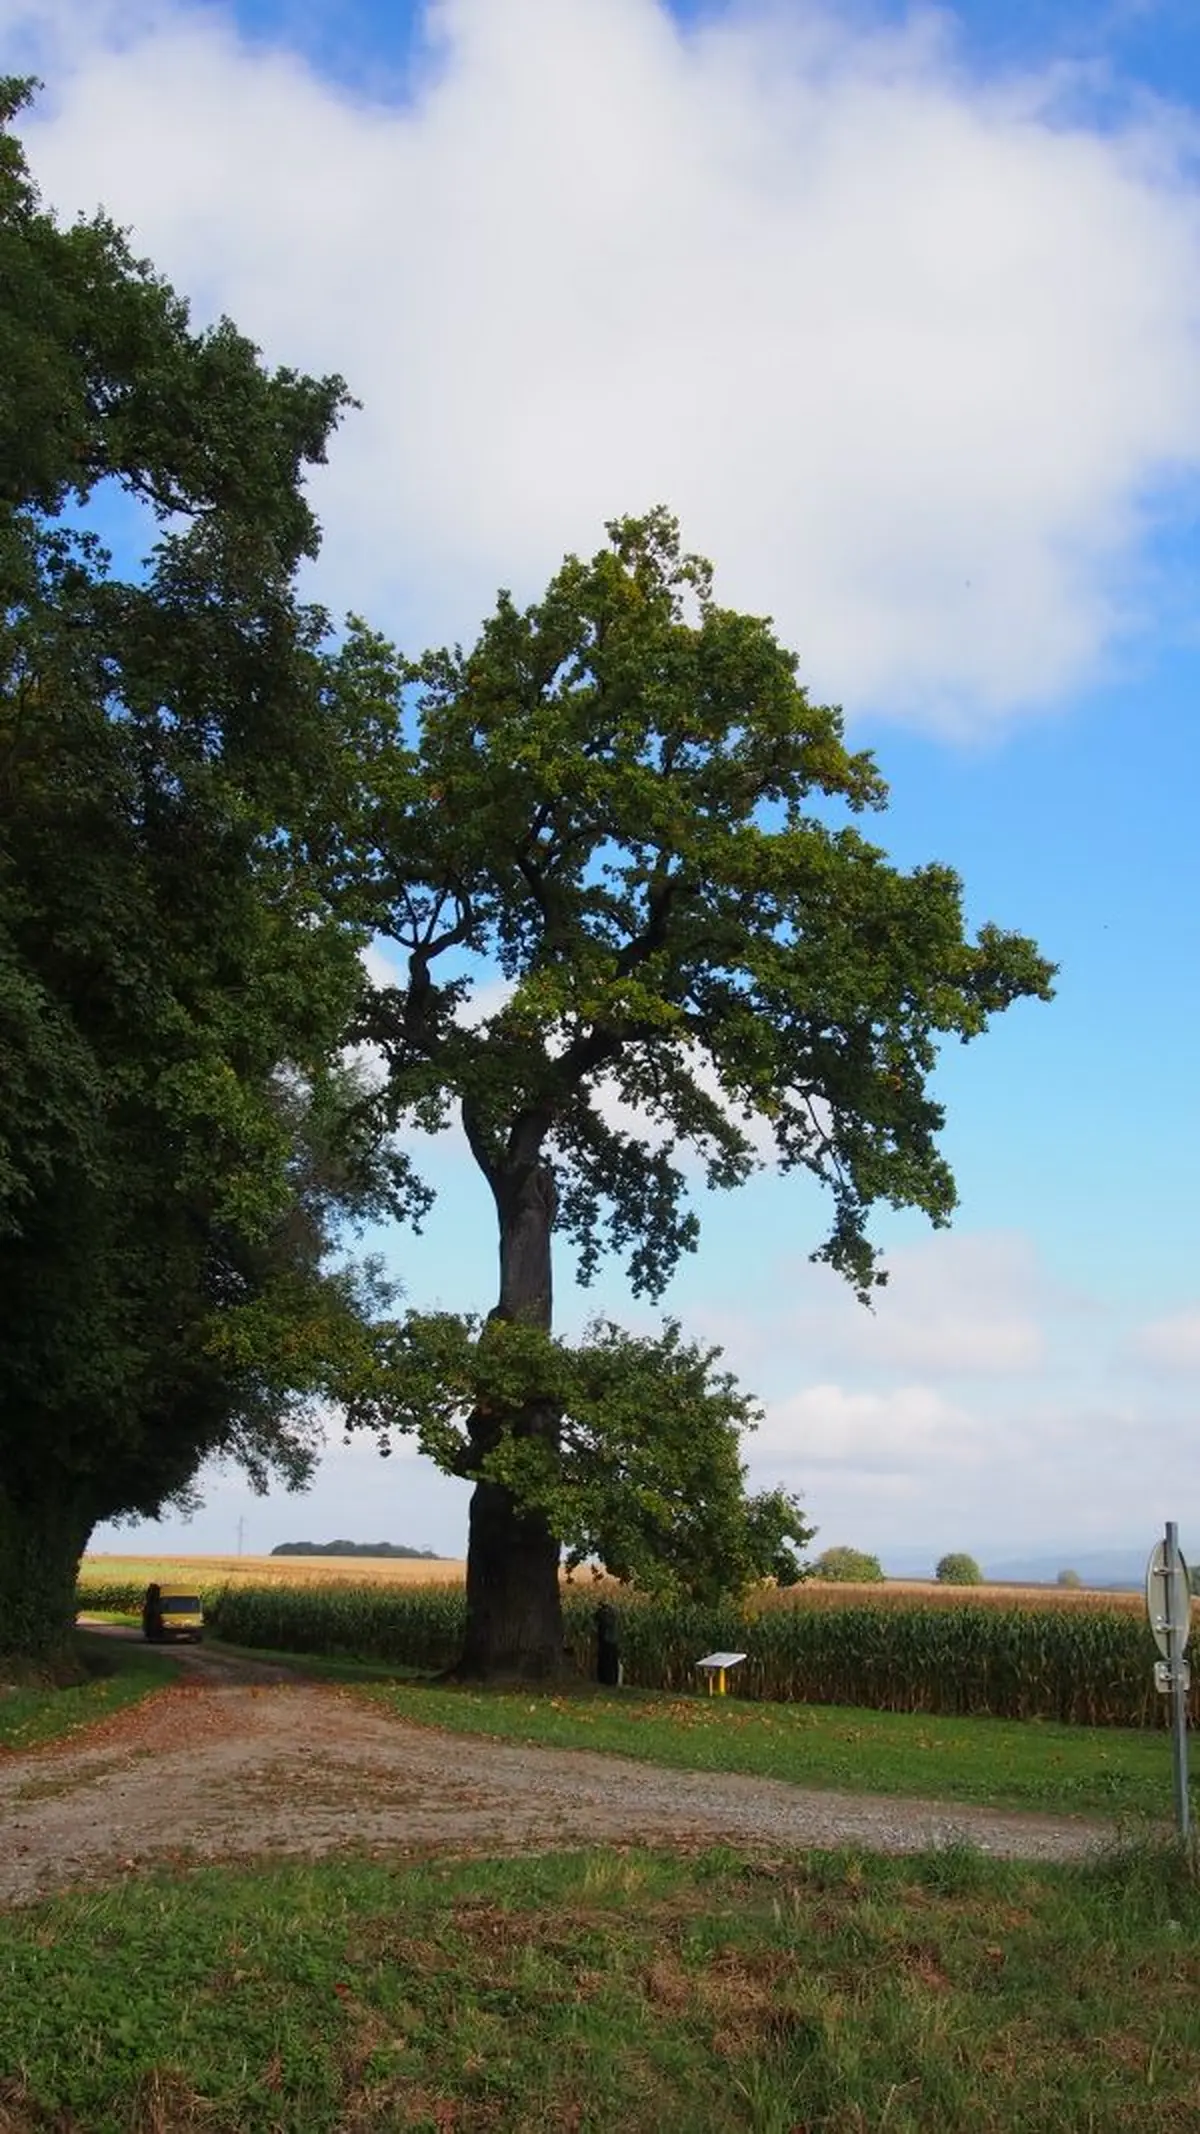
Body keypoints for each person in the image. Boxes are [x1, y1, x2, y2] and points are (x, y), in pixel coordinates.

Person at [595, 1602, 620, 1687]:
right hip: (610, 1641)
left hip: (608, 1641)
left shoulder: (610, 1617)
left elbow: (605, 1622)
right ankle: (608, 1680)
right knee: (609, 1662)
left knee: (608, 1662)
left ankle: (609, 1680)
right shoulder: (612, 1615)